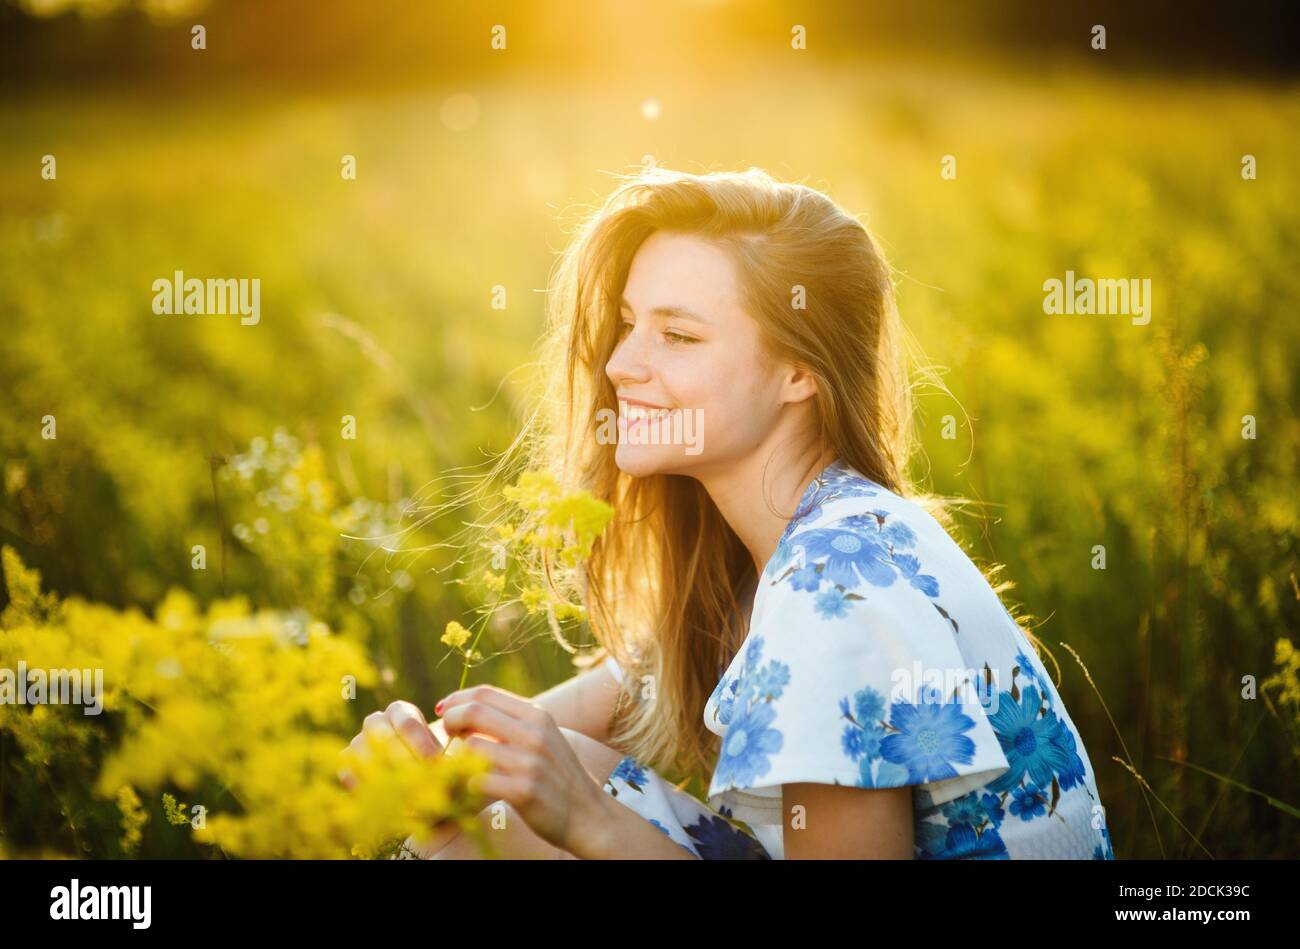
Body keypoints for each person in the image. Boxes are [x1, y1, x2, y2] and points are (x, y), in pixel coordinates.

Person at [341, 166, 1117, 860]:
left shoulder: (833, 592)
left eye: (677, 334)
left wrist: (587, 819)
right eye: (626, 323)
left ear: (799, 372)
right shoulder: (785, 545)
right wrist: (427, 750)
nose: (620, 365)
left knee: (508, 821)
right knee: (494, 802)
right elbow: (555, 725)